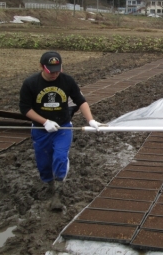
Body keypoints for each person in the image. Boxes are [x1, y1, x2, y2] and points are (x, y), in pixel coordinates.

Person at [19, 51, 105, 211]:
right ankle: (49, 184)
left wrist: (91, 120)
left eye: (57, 70)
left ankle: (58, 191)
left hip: (63, 127)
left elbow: (81, 101)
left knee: (59, 156)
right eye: (50, 71)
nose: (54, 74)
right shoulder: (31, 83)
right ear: (41, 67)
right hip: (40, 129)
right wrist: (44, 122)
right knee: (43, 163)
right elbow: (25, 108)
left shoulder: (67, 81)